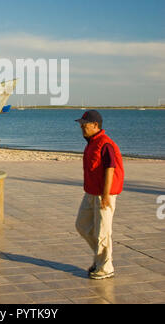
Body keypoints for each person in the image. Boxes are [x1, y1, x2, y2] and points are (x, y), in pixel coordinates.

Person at [75, 110, 124, 280]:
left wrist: (106, 196)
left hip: (104, 194)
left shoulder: (105, 144)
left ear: (95, 125)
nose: (82, 127)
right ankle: (101, 258)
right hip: (90, 192)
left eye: (84, 124)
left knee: (103, 231)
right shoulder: (91, 142)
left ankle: (105, 267)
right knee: (82, 225)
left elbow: (110, 169)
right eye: (81, 124)